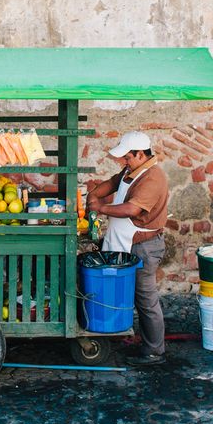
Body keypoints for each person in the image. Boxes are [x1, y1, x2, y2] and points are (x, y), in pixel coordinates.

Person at [87, 130, 168, 366]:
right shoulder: (132, 170)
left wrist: (99, 208)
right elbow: (113, 183)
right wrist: (93, 194)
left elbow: (132, 209)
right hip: (126, 242)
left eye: (127, 157)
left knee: (145, 298)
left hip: (143, 247)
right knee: (126, 293)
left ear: (140, 154)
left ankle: (155, 351)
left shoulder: (153, 177)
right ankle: (132, 335)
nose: (124, 161)